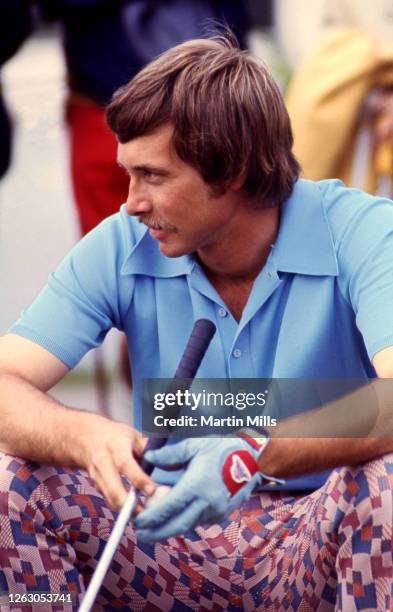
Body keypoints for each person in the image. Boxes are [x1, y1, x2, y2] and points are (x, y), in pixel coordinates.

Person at [1, 33, 393, 611]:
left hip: (317, 536)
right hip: (167, 535)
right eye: (128, 173)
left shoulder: (365, 231)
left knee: (386, 485)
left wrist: (250, 453)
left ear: (231, 170)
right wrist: (84, 436)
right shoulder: (122, 241)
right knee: (13, 485)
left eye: (153, 176)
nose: (130, 201)